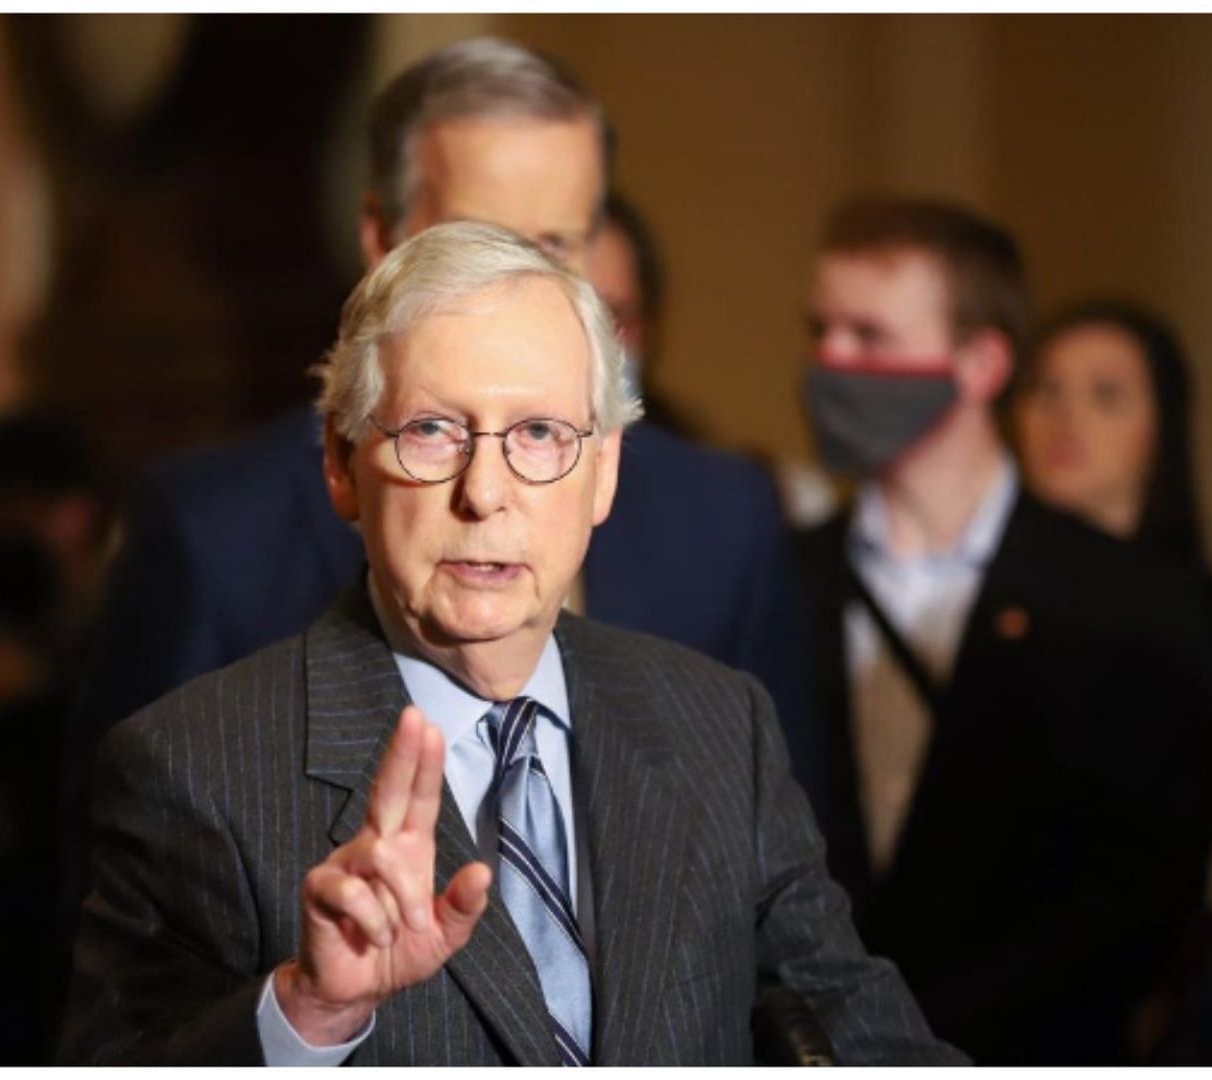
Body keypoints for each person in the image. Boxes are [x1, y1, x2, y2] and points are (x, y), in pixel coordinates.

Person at [58, 221, 962, 1066]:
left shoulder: (718, 725)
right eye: (432, 431)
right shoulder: (193, 766)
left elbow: (860, 1028)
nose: (485, 492)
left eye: (538, 434)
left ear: (603, 473)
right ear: (340, 464)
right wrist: (306, 1013)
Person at [65, 35, 816, 867]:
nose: (526, 283)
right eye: (485, 240)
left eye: (561, 244)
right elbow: (126, 912)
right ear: (382, 238)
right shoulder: (213, 531)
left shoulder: (722, 515)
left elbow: (792, 879)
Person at [794, 196, 1212, 1064]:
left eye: (871, 336)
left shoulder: (1144, 605)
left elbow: (1141, 896)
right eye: (821, 330)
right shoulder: (780, 573)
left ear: (982, 362)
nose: (833, 362)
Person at [1012, 299, 1212, 1063]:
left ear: (1159, 427)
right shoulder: (978, 609)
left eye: (1105, 395)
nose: (1066, 418)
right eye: (1046, 389)